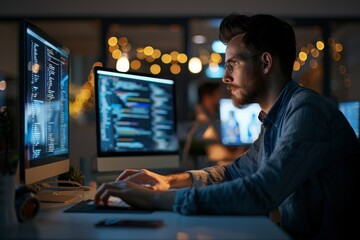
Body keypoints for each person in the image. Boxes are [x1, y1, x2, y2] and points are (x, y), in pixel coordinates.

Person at [94, 13, 360, 239]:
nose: (225, 77)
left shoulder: (306, 110)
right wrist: (169, 181)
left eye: (232, 64)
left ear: (266, 62)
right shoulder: (275, 119)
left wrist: (155, 200)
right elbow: (233, 173)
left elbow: (262, 192)